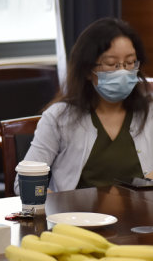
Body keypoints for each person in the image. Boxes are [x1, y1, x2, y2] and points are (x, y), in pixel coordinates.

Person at [16, 18, 153, 193]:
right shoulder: (59, 117)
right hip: (76, 211)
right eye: (112, 64)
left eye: (130, 62)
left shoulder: (149, 111)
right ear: (88, 70)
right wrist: (53, 203)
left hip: (141, 210)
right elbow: (25, 182)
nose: (123, 71)